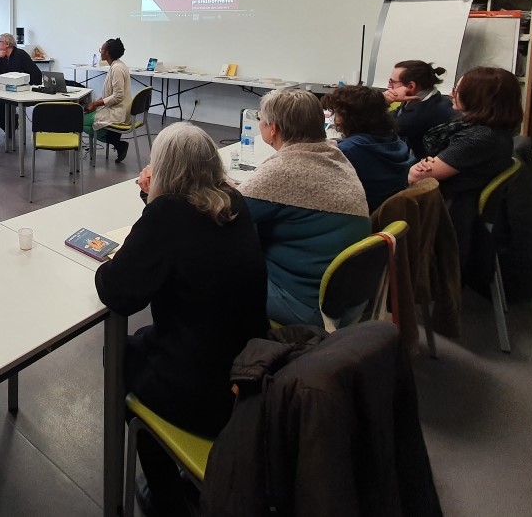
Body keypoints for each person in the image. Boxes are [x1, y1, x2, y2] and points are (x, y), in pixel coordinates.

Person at [98, 122, 268, 516]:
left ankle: (165, 493)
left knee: (121, 351)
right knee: (146, 337)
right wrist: (151, 197)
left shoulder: (167, 214)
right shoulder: (233, 201)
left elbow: (118, 292)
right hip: (249, 369)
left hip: (204, 393)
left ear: (163, 169)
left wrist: (118, 252)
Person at [240, 89, 370, 327]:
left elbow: (226, 214)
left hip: (307, 305)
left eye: (261, 119)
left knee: (205, 269)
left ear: (273, 128)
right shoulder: (334, 156)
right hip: (349, 299)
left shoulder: (283, 170)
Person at [408, 66, 520, 268]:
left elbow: (417, 178)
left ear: (477, 97)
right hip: (452, 204)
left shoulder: (480, 138)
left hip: (443, 210)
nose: (451, 94)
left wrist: (419, 167)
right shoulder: (489, 131)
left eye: (458, 90)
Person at [322, 86, 414, 211]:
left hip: (360, 215)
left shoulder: (348, 151)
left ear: (350, 117)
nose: (336, 121)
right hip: (386, 213)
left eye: (338, 113)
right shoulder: (393, 139)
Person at [384, 60, 457, 158]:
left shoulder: (420, 114)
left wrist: (384, 101)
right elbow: (394, 115)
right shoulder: (432, 97)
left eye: (392, 82)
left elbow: (375, 127)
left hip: (420, 164)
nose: (388, 86)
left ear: (411, 86)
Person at [0, 33, 43, 131]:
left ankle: (9, 127)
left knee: (2, 104)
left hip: (21, 90)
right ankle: (8, 127)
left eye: (0, 42)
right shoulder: (0, 57)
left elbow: (37, 74)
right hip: (6, 90)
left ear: (7, 44)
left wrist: (25, 85)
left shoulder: (20, 55)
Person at [84, 38, 132, 163]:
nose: (100, 52)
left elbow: (118, 96)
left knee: (79, 121)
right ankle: (115, 139)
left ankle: (116, 141)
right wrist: (98, 102)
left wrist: (95, 103)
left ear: (108, 52)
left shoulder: (116, 69)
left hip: (118, 111)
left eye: (102, 49)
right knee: (88, 117)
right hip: (117, 108)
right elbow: (110, 94)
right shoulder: (117, 65)